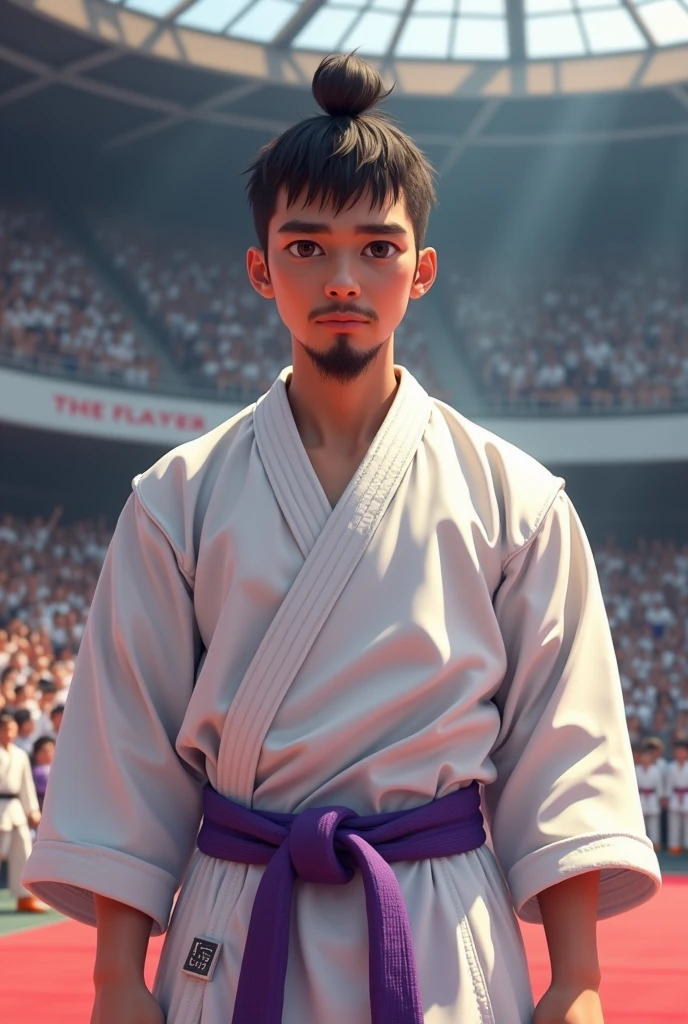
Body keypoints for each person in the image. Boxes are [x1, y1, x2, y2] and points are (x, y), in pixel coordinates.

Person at [23, 53, 660, 1024]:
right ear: (259, 266)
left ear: (422, 269)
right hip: (237, 921)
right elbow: (129, 749)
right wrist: (116, 979)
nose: (342, 277)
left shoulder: (516, 497)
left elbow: (561, 747)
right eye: (308, 246)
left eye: (376, 247)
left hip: (438, 926)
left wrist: (577, 980)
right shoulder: (175, 497)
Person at [0, 711, 49, 912]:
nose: (9, 732)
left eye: (12, 728)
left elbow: (26, 785)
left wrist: (32, 810)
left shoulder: (20, 754)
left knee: (23, 853)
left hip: (15, 809)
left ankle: (24, 898)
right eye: (5, 729)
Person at [634, 741, 664, 849]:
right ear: (640, 758)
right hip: (640, 797)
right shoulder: (636, 770)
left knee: (654, 823)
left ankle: (655, 842)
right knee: (641, 823)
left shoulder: (655, 770)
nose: (646, 759)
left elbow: (659, 786)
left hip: (652, 798)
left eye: (648, 757)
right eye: (644, 757)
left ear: (652, 758)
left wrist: (661, 798)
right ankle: (641, 842)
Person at [665, 737, 688, 854]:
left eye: (682, 751)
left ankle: (686, 844)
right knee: (674, 823)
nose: (679, 753)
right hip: (674, 796)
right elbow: (669, 784)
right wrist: (666, 797)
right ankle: (674, 845)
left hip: (686, 796)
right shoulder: (671, 767)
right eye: (677, 751)